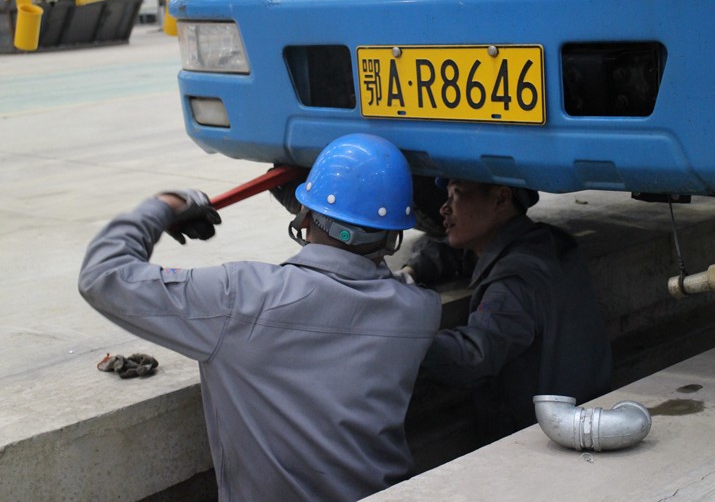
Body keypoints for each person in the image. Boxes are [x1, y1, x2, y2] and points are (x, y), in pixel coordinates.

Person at [78, 133, 442, 501]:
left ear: (304, 216)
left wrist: (165, 205)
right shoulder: (418, 313)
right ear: (394, 235)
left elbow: (103, 276)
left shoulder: (240, 297)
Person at [401, 178, 612, 445]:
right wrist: (411, 271)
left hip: (546, 439)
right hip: (582, 410)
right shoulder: (545, 242)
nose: (444, 208)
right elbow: (456, 251)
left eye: (457, 194)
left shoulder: (513, 284)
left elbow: (473, 357)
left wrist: (401, 339)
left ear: (501, 199)